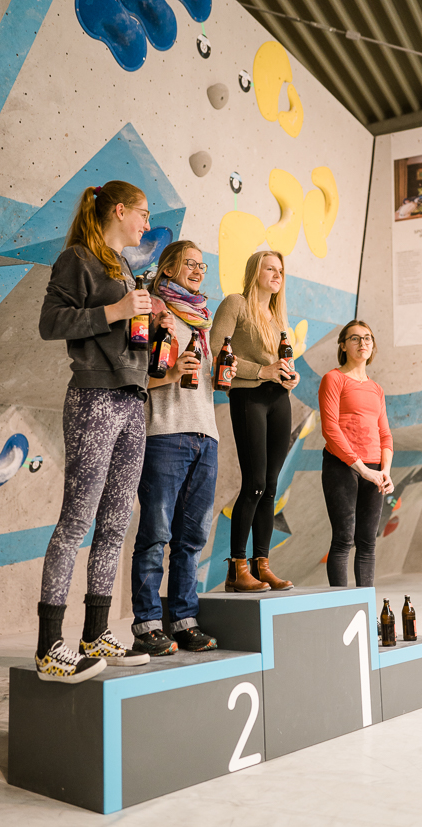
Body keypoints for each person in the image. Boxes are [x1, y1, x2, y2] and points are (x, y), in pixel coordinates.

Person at [36, 180, 167, 682]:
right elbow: (50, 322)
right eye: (142, 214)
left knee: (115, 523)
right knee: (77, 522)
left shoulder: (125, 266)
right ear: (118, 210)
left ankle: (95, 633)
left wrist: (151, 323)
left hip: (134, 397)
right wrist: (115, 310)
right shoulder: (78, 259)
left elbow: (123, 330)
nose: (145, 224)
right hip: (94, 397)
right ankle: (50, 646)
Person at [131, 241, 236, 654]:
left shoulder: (203, 320)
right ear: (169, 267)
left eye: (202, 265)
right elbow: (134, 373)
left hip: (204, 435)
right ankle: (146, 624)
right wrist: (172, 372)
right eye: (190, 263)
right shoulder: (153, 308)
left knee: (191, 538)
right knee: (156, 535)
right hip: (164, 433)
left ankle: (183, 620)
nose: (198, 270)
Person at [211, 251, 299, 592]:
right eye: (269, 269)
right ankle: (237, 568)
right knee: (255, 483)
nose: (277, 275)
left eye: (280, 270)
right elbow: (218, 350)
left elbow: (281, 363)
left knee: (271, 487)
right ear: (254, 272)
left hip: (279, 400)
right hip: (248, 398)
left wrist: (289, 378)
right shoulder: (236, 303)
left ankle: (262, 565)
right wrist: (262, 371)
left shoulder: (277, 317)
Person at [318, 319, 394, 588]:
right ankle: (341, 611)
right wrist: (362, 468)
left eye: (368, 338)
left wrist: (385, 471)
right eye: (355, 338)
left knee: (368, 542)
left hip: (375, 470)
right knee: (343, 539)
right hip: (343, 466)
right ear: (343, 345)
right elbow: (330, 429)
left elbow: (385, 434)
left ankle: (365, 613)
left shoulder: (376, 389)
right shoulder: (334, 379)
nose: (363, 343)